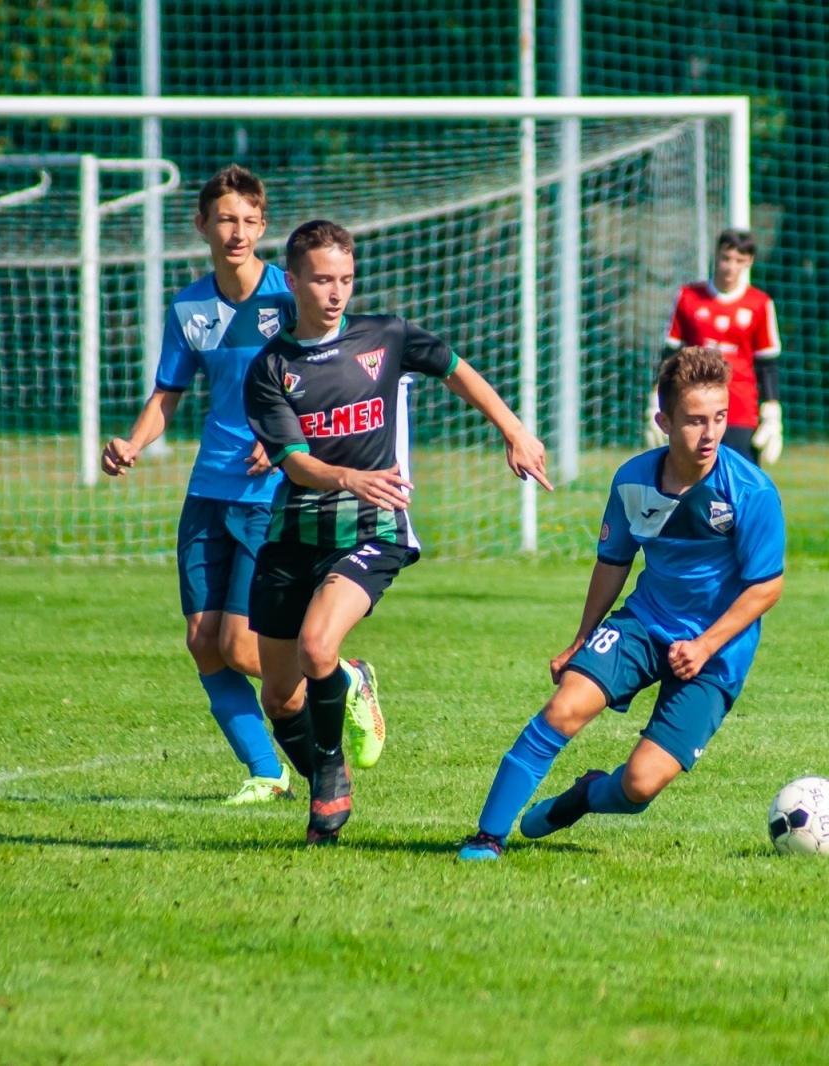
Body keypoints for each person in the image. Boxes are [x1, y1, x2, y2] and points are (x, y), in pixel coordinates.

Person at [244, 219, 551, 844]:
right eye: (323, 280)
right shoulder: (271, 367)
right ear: (293, 280)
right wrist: (347, 477)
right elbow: (296, 465)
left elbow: (455, 368)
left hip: (373, 527)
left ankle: (329, 775)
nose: (336, 293)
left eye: (346, 280)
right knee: (279, 696)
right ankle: (340, 723)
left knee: (316, 649)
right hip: (295, 531)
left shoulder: (383, 335)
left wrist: (514, 429)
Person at [101, 165, 379, 805]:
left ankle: (346, 675)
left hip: (270, 493)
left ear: (263, 227)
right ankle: (267, 771)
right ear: (201, 224)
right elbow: (166, 394)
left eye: (250, 221)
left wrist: (283, 434)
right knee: (202, 642)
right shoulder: (190, 306)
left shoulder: (291, 294)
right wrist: (132, 444)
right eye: (226, 218)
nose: (238, 231)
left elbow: (331, 372)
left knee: (241, 644)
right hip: (208, 490)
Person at [461, 346, 785, 861]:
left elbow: (766, 587)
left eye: (720, 418)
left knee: (639, 785)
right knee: (564, 707)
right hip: (644, 623)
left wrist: (702, 646)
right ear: (663, 421)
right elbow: (614, 563)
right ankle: (487, 838)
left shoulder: (751, 491)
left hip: (716, 653)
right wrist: (581, 639)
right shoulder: (633, 480)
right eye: (695, 421)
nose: (711, 435)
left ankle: (585, 794)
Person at [645, 229, 785, 465]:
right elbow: (669, 357)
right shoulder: (688, 297)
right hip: (694, 410)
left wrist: (772, 414)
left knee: (739, 490)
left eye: (739, 261)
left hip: (741, 413)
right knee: (690, 486)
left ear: (749, 262)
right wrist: (655, 402)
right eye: (726, 258)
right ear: (716, 256)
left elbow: (767, 365)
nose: (731, 266)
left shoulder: (760, 304)